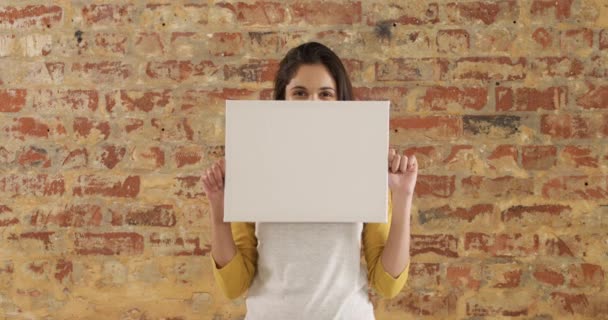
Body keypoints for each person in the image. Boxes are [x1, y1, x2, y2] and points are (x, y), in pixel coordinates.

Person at [202, 42, 418, 319]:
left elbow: (387, 284)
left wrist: (402, 198)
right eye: (300, 93)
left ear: (340, 101)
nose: (312, 104)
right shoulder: (255, 164)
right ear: (282, 99)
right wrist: (219, 210)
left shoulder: (361, 165)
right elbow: (234, 285)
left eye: (325, 94)